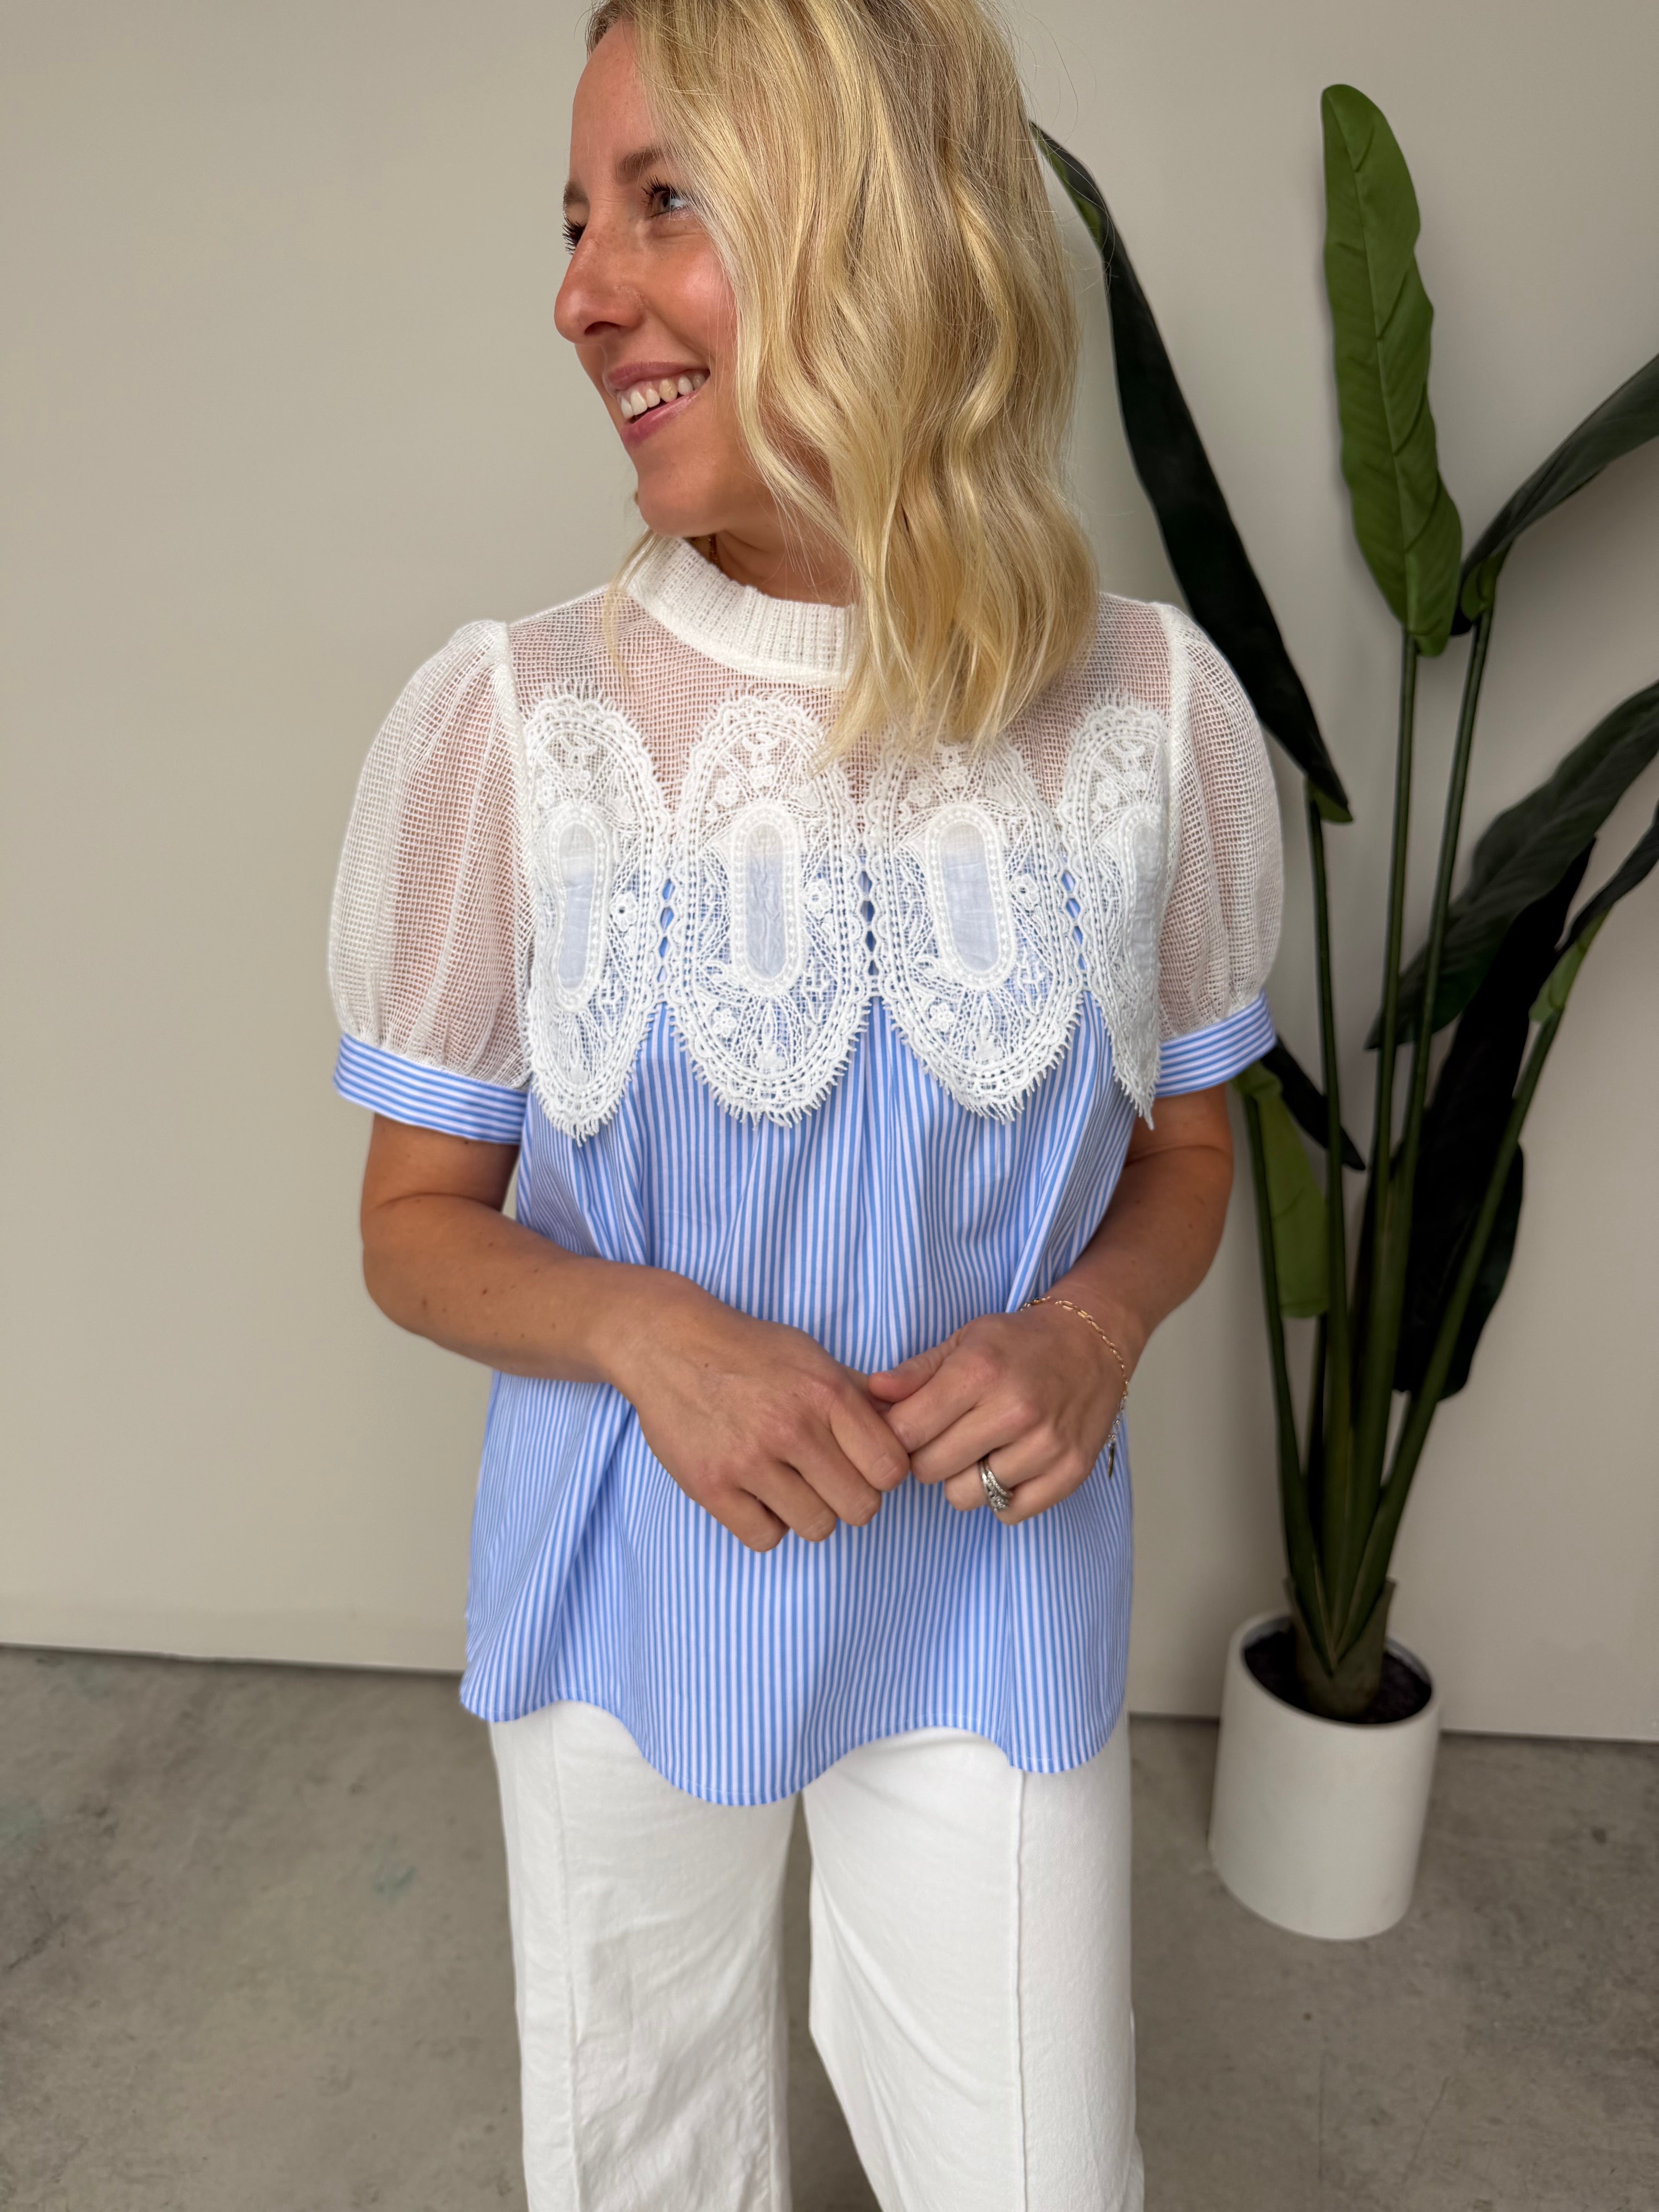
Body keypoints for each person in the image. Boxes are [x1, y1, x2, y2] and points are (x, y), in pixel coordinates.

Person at [327, 0, 1281, 2203]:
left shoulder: (1151, 713)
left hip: (990, 1591)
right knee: (639, 2151)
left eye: (663, 202)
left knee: (1036, 2172)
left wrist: (1094, 1327)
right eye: (576, 221)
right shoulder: (520, 726)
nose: (582, 292)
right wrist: (650, 1335)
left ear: (880, 225)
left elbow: (1189, 1150)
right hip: (622, 1585)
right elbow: (409, 1227)